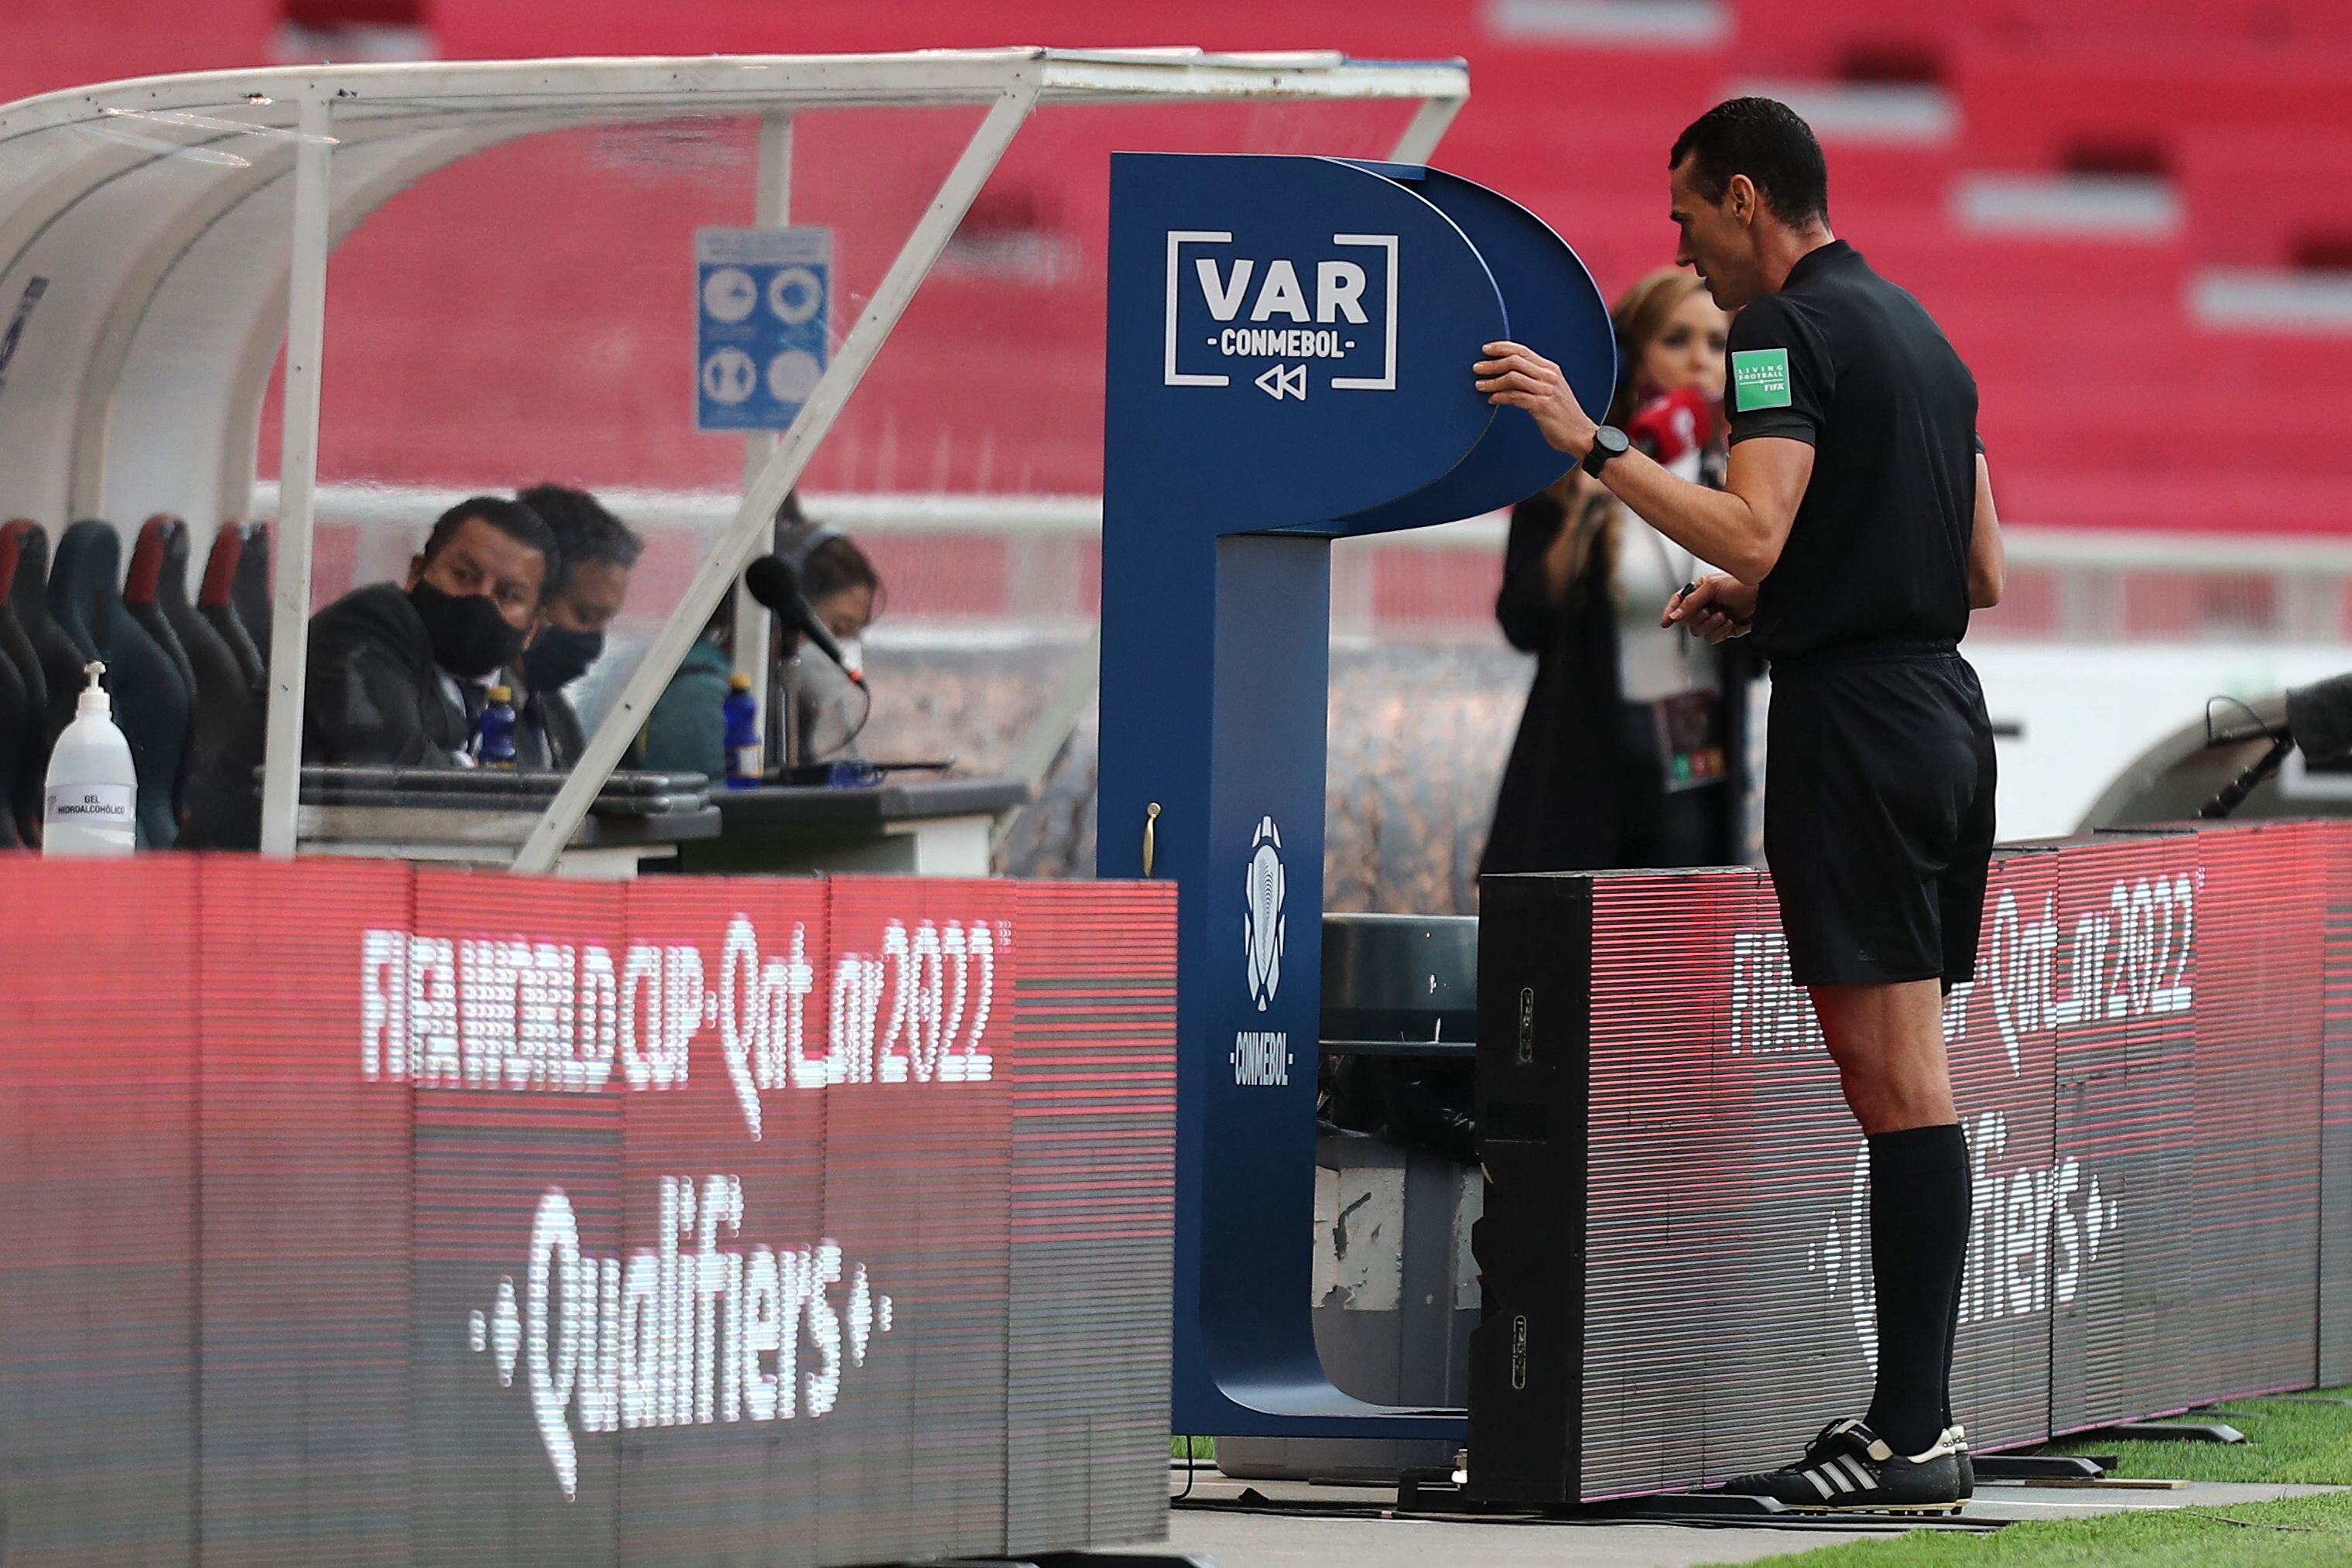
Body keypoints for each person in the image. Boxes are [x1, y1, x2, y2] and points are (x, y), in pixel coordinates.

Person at [1473, 97, 2005, 1512]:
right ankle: (1914, 1421)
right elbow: (1978, 569)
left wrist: (1591, 442)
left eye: (1686, 215)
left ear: (1745, 199)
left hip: (1855, 731)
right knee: (1907, 1077)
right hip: (1938, 716)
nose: (1681, 250)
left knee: (1895, 1085)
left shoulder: (1777, 330)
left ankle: (1910, 1434)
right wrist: (1773, 604)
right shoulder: (1920, 332)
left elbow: (1755, 524)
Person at [1481, 267, 1744, 876]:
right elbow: (1522, 621)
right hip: (1581, 768)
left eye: (1716, 343)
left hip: (1696, 766)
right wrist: (1586, 510)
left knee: (1678, 929)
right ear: (1629, 357)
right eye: (1675, 339)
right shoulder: (1570, 469)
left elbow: (1760, 651)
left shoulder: (1741, 481)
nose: (1699, 361)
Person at [305, 495, 557, 767]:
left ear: (533, 628)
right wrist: (470, 770)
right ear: (417, 572)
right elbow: (389, 763)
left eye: (507, 595)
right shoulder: (362, 626)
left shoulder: (526, 703)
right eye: (464, 576)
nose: (481, 599)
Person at [515, 483, 642, 769]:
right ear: (531, 597)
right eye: (586, 616)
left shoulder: (555, 714)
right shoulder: (467, 711)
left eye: (606, 620)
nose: (595, 642)